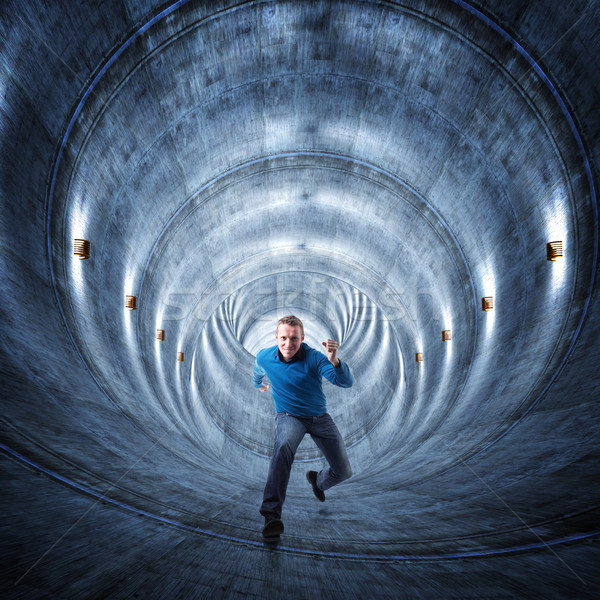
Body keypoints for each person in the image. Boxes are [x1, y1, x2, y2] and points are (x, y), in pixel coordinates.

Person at [252, 315, 353, 541]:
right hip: (289, 417)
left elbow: (345, 382)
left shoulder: (314, 358)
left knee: (344, 471)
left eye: (294, 338)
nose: (289, 344)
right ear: (276, 338)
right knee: (283, 447)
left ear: (303, 338)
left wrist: (335, 361)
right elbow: (257, 372)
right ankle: (271, 516)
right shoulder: (265, 357)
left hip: (319, 417)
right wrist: (259, 385)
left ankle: (317, 480)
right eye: (284, 338)